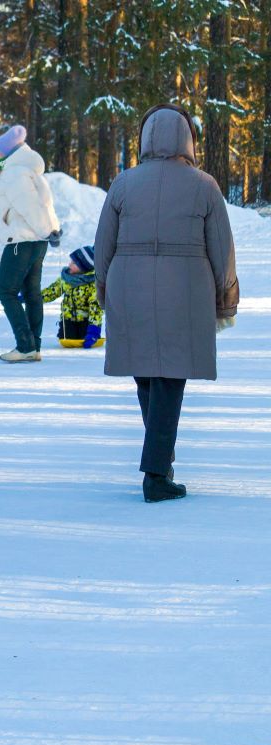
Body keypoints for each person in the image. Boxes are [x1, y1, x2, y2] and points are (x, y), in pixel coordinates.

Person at [94, 105, 238, 503]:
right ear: (187, 139)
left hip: (129, 283)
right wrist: (225, 298)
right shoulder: (204, 185)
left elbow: (103, 242)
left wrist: (104, 287)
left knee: (147, 374)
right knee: (170, 377)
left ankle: (161, 459)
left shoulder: (123, 184)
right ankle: (157, 473)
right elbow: (222, 247)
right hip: (186, 287)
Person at [0, 124, 61, 363]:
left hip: (21, 240)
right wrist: (50, 230)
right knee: (31, 292)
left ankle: (25, 345)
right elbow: (44, 205)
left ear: (9, 152)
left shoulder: (15, 173)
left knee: (6, 290)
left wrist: (46, 230)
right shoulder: (28, 171)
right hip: (35, 241)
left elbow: (30, 206)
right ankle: (33, 346)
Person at [41, 245, 104, 348]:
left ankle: (91, 335)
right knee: (67, 338)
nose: (69, 264)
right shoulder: (66, 279)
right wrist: (30, 298)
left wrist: (94, 330)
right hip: (68, 321)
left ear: (84, 268)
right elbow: (51, 292)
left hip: (86, 322)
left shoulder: (92, 285)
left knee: (85, 337)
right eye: (71, 261)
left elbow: (95, 308)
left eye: (74, 263)